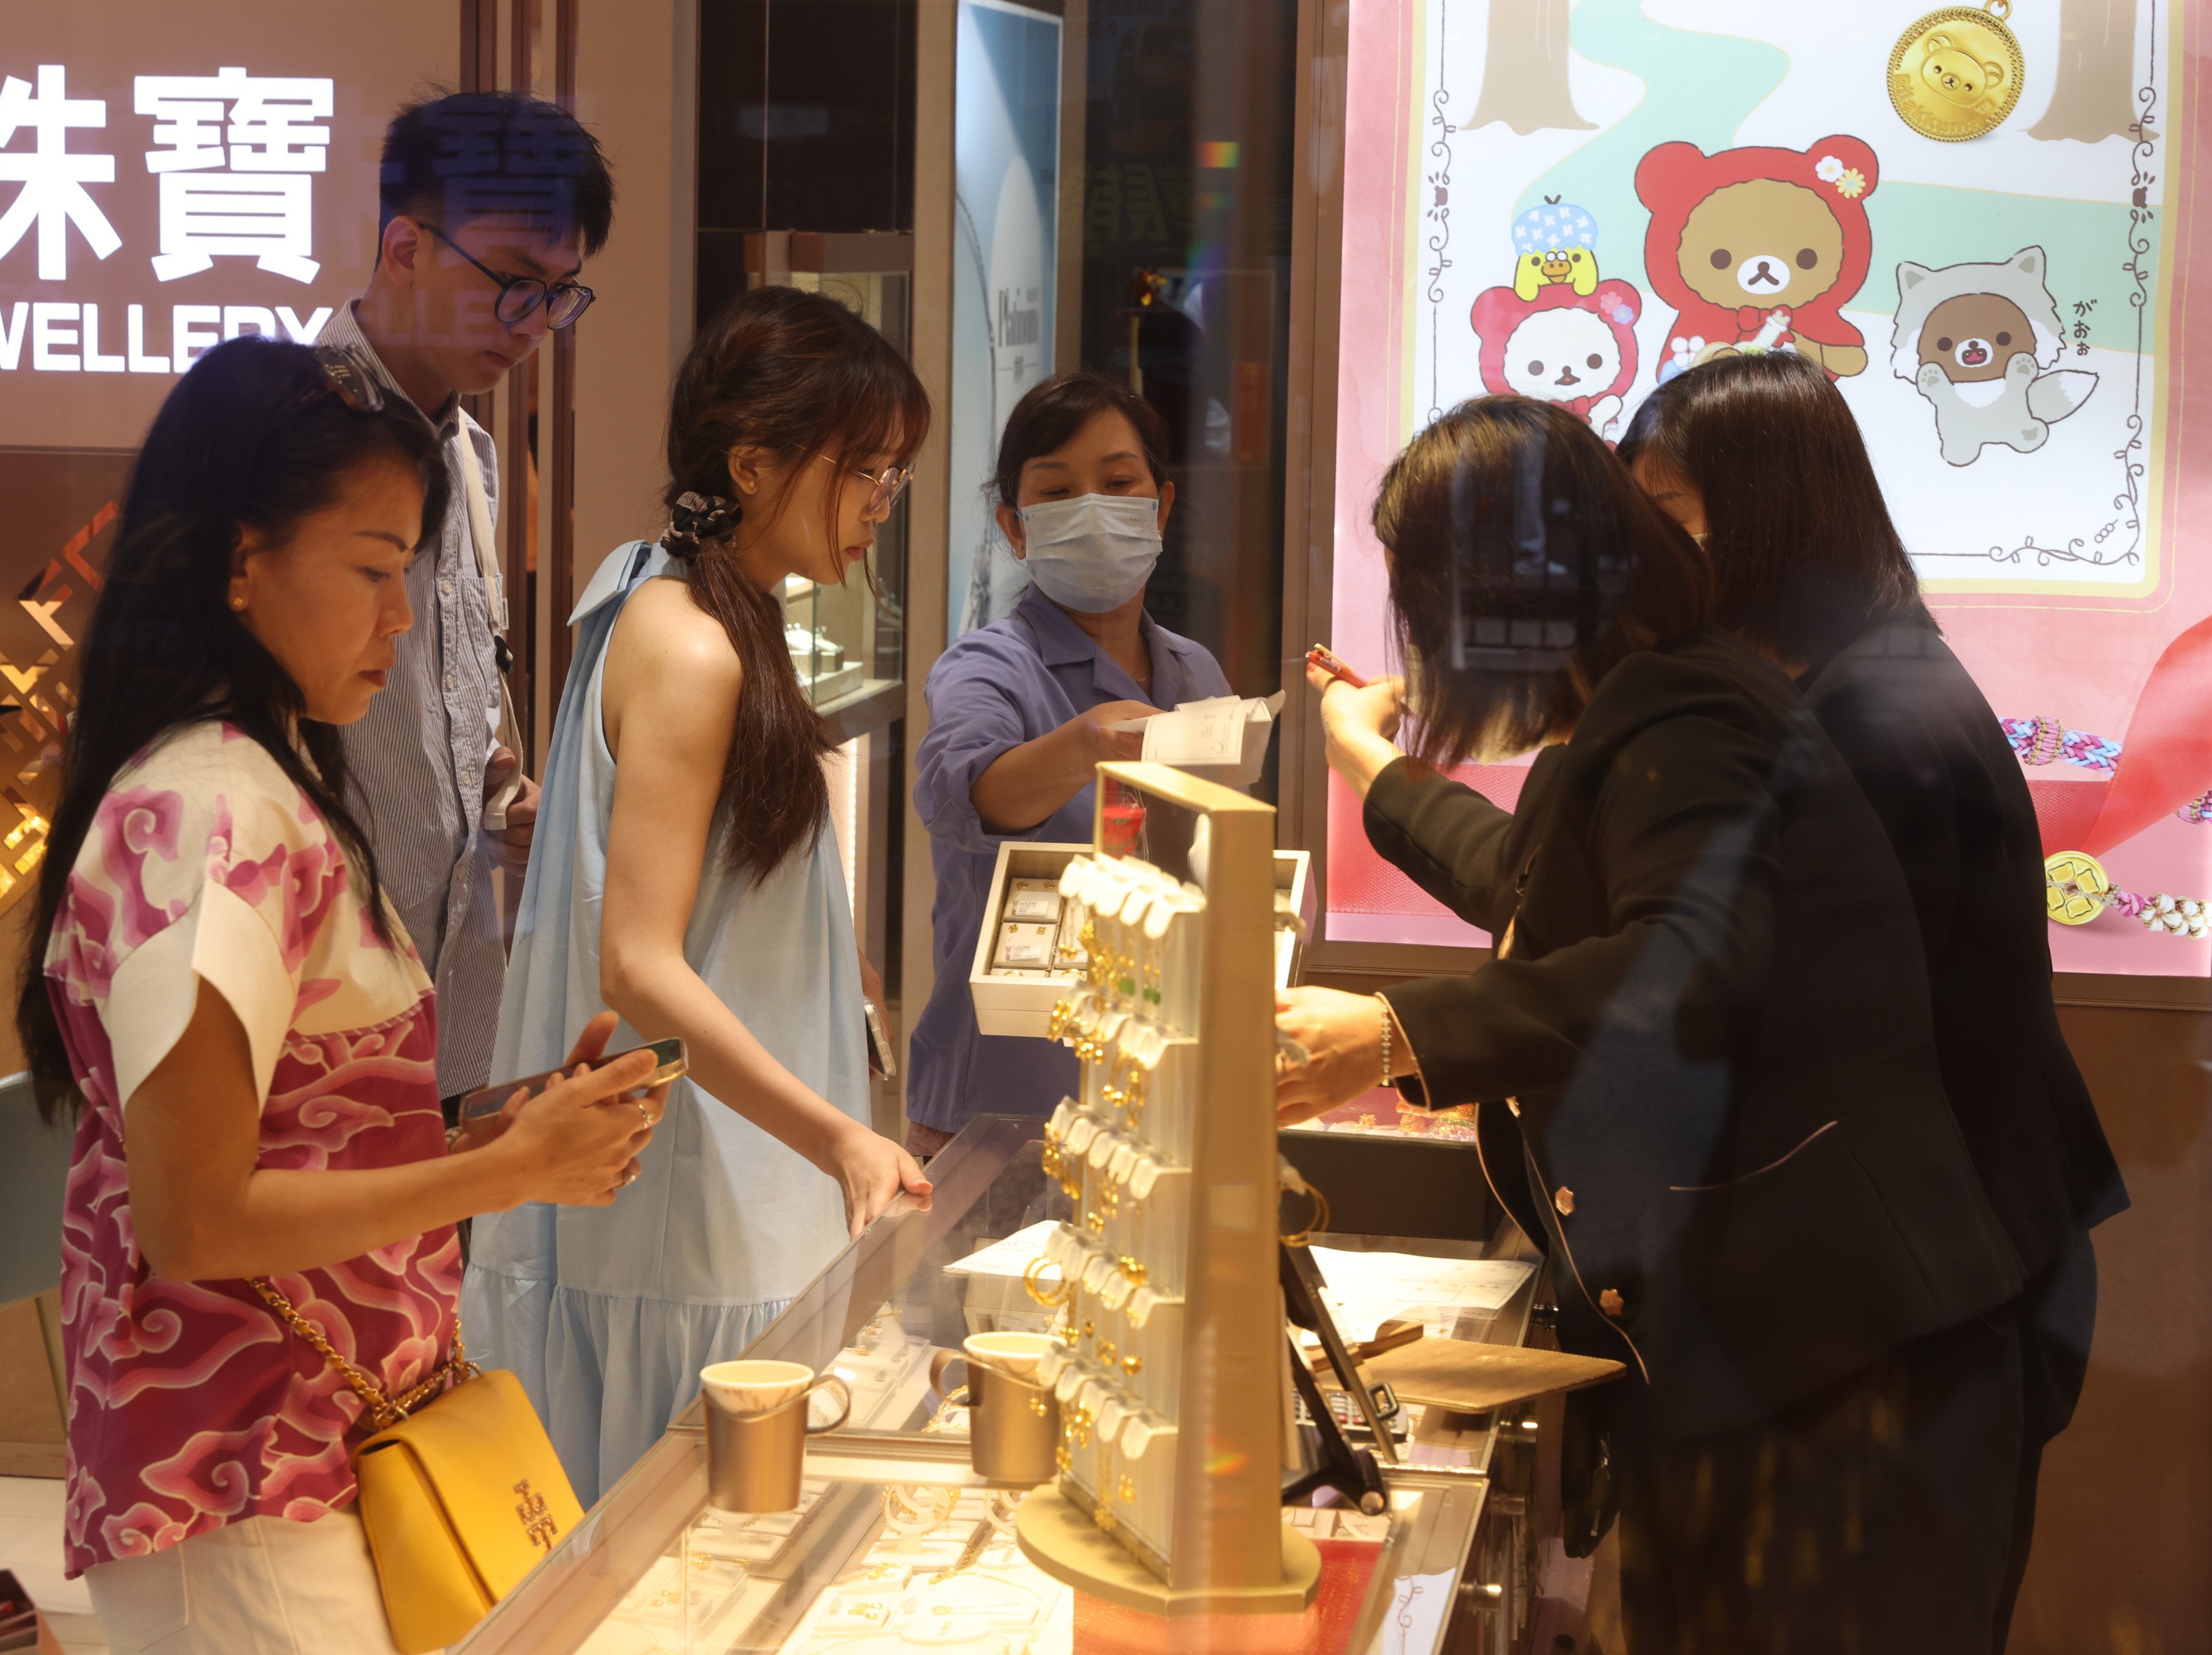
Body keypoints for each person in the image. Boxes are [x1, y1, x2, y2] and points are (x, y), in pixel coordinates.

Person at [1273, 395, 2028, 1651]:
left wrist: (1392, 1033)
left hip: (1840, 1376)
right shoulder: (1648, 704)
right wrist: (1373, 770)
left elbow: (1690, 959)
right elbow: (1533, 879)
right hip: (1776, 1355)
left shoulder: (1677, 709)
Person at [17, 336, 665, 1655]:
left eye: (409, 572)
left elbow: (295, 1128)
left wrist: (485, 1129)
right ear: (241, 561)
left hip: (308, 1447)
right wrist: (500, 1174)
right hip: (239, 1477)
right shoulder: (204, 812)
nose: (401, 615)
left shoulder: (261, 782)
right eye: (373, 570)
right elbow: (193, 1216)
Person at [1618, 350, 2125, 1647]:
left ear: (1766, 516)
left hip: (1906, 1322)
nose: (1642, 570)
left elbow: (1739, 1001)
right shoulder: (1850, 680)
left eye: (1665, 530)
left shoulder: (1864, 722)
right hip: (1919, 1285)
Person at [462, 288, 935, 1500]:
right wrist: (838, 1136)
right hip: (703, 1199)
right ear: (750, 461)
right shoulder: (690, 641)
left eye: (893, 475)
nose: (879, 505)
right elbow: (638, 960)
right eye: (864, 470)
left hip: (724, 1182)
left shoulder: (669, 595)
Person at [330, 90, 616, 1112]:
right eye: (512, 283)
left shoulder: (471, 450)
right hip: (314, 1002)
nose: (535, 324)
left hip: (450, 1007)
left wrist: (505, 801)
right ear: (404, 246)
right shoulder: (293, 443)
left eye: (560, 294)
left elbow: (445, 704)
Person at [907, 373, 1231, 1156]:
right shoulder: (986, 667)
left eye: (1117, 483)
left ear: (1159, 506)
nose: (1090, 508)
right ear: (1014, 528)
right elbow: (963, 794)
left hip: (1162, 1092)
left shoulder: (1193, 672)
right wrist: (1085, 744)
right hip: (1004, 1104)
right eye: (1055, 492)